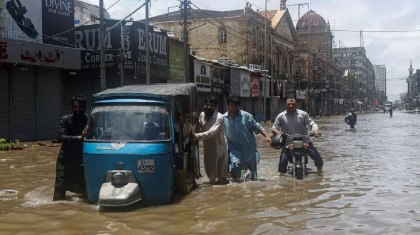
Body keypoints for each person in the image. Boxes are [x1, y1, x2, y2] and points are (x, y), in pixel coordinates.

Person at [223, 94, 272, 181]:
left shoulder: (247, 116)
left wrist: (267, 136)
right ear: (228, 105)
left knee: (253, 178)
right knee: (235, 165)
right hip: (234, 149)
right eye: (231, 105)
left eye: (236, 106)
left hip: (249, 149)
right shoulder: (223, 118)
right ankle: (237, 185)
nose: (234, 108)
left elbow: (257, 127)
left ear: (239, 106)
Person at [272, 98, 323, 174]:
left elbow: (312, 123)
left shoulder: (303, 114)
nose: (290, 106)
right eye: (289, 104)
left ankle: (320, 172)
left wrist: (315, 130)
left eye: (292, 104)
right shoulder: (281, 116)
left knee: (318, 159)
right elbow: (274, 128)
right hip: (288, 143)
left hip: (304, 141)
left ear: (296, 105)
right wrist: (280, 133)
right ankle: (282, 179)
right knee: (282, 163)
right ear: (286, 105)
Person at [53, 95, 89, 201]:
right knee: (60, 184)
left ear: (84, 107)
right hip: (65, 157)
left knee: (84, 186)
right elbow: (60, 137)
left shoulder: (88, 120)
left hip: (81, 157)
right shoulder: (66, 120)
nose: (77, 110)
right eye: (75, 107)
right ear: (72, 108)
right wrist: (79, 137)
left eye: (80, 107)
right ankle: (58, 208)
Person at [193, 95, 228, 185]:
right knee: (211, 176)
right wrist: (197, 129)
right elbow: (200, 127)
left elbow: (212, 132)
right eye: (206, 105)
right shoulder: (202, 115)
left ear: (215, 107)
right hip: (208, 148)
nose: (208, 107)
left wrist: (197, 136)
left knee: (222, 179)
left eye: (211, 105)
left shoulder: (219, 117)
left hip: (220, 149)